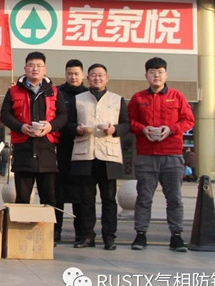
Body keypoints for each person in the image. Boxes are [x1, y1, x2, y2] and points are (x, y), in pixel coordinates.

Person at [128, 57, 195, 252]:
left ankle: (176, 236)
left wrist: (171, 129)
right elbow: (129, 121)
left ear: (166, 74)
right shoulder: (138, 98)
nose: (156, 75)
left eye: (160, 72)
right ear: (146, 75)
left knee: (174, 198)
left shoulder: (177, 96)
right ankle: (140, 234)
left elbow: (188, 120)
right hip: (146, 155)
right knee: (143, 198)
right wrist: (143, 129)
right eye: (152, 72)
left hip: (172, 155)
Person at [68, 63, 129, 250]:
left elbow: (126, 124)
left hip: (108, 155)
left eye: (101, 75)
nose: (97, 78)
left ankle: (109, 237)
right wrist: (76, 129)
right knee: (86, 199)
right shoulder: (78, 99)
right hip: (85, 153)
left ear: (107, 78)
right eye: (93, 75)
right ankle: (87, 236)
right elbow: (68, 124)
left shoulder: (117, 99)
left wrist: (114, 129)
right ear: (88, 78)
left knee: (109, 199)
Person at [0, 51, 68, 206]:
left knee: (49, 199)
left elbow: (63, 115)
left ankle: (49, 224)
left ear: (45, 69)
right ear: (25, 68)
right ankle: (22, 223)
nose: (35, 69)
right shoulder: (13, 91)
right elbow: (5, 114)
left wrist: (50, 126)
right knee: (22, 199)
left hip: (47, 150)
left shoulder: (54, 91)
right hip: (23, 150)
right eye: (31, 65)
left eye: (39, 66)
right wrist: (21, 127)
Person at [56, 59, 87, 244]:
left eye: (76, 74)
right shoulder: (57, 92)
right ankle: (55, 232)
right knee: (57, 194)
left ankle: (81, 234)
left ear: (82, 75)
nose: (73, 77)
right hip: (60, 149)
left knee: (80, 195)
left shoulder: (88, 94)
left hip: (82, 149)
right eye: (69, 73)